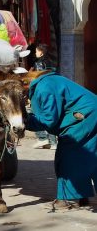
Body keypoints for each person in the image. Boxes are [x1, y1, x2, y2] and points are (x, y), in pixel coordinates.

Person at [24, 70, 97, 210]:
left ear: (25, 83)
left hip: (83, 118)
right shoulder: (50, 81)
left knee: (67, 157)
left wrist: (25, 121)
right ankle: (82, 196)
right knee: (91, 157)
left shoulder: (44, 87)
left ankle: (68, 199)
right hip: (91, 113)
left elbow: (49, 120)